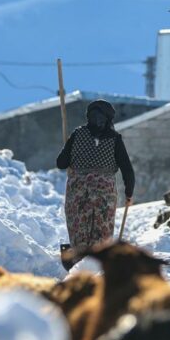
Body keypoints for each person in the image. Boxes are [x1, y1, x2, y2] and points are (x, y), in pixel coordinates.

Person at [56, 100, 134, 252]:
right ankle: (100, 259)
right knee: (102, 228)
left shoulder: (78, 134)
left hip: (78, 189)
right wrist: (129, 193)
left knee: (79, 226)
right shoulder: (115, 138)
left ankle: (79, 258)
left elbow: (61, 163)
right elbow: (127, 169)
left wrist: (70, 151)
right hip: (104, 191)